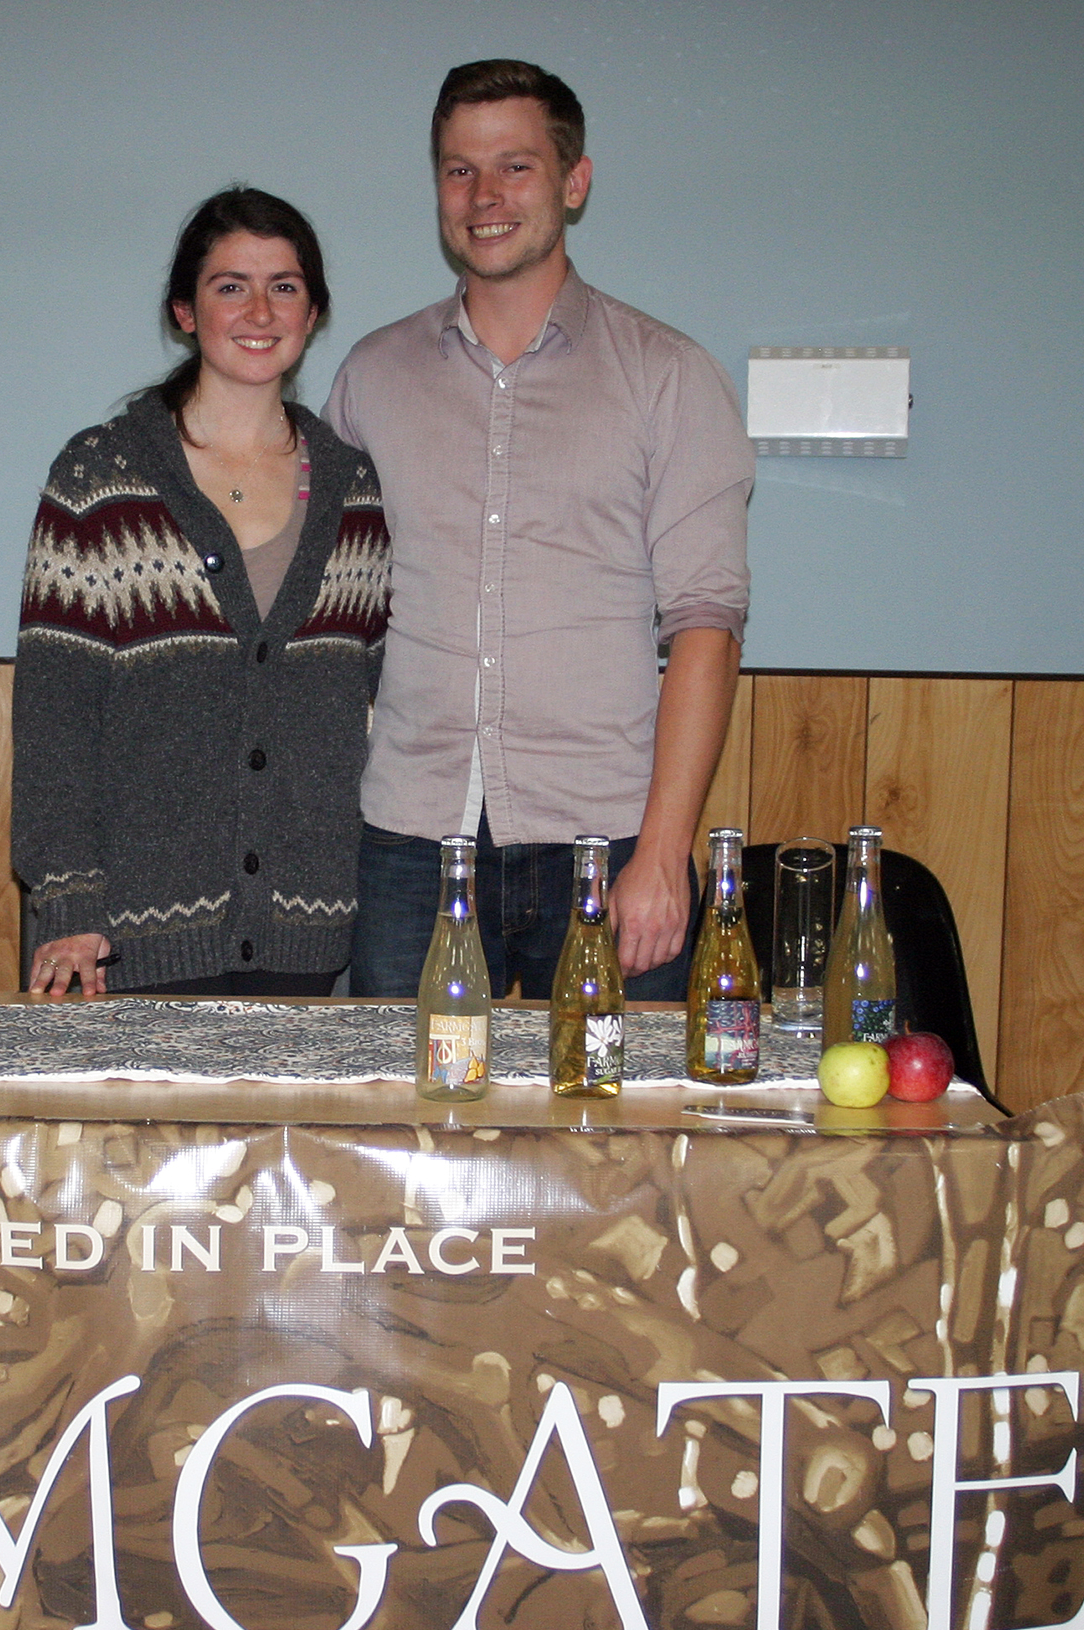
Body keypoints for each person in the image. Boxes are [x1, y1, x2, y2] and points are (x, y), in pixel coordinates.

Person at [326, 59, 752, 1002]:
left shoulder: (668, 377)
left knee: (628, 1138)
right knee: (404, 1130)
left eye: (515, 167)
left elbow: (707, 629)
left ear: (574, 181)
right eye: (458, 170)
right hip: (412, 844)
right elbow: (332, 608)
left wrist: (666, 853)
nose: (484, 197)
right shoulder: (372, 377)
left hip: (607, 847)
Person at [13, 188, 392, 997]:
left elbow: (373, 699)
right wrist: (69, 901)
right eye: (231, 286)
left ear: (314, 310)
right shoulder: (101, 480)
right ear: (185, 310)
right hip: (123, 941)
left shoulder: (352, 489)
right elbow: (55, 714)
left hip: (304, 932)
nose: (260, 309)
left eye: (285, 286)